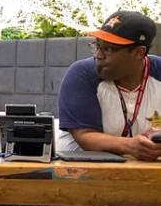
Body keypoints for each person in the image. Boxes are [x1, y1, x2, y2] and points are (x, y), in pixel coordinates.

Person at [58, 10, 161, 160]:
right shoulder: (82, 74)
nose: (98, 55)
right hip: (82, 174)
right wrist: (130, 145)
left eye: (109, 49)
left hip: (144, 175)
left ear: (139, 52)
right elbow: (85, 136)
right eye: (97, 46)